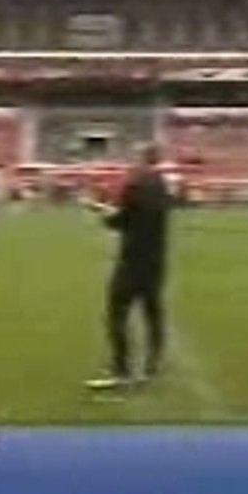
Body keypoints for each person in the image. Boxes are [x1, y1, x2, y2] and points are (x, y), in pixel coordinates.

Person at [85, 143, 172, 389]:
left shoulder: (134, 184)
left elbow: (119, 221)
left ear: (141, 158)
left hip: (131, 261)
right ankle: (151, 366)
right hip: (156, 262)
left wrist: (99, 210)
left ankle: (121, 370)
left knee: (117, 315)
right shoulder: (162, 184)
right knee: (153, 314)